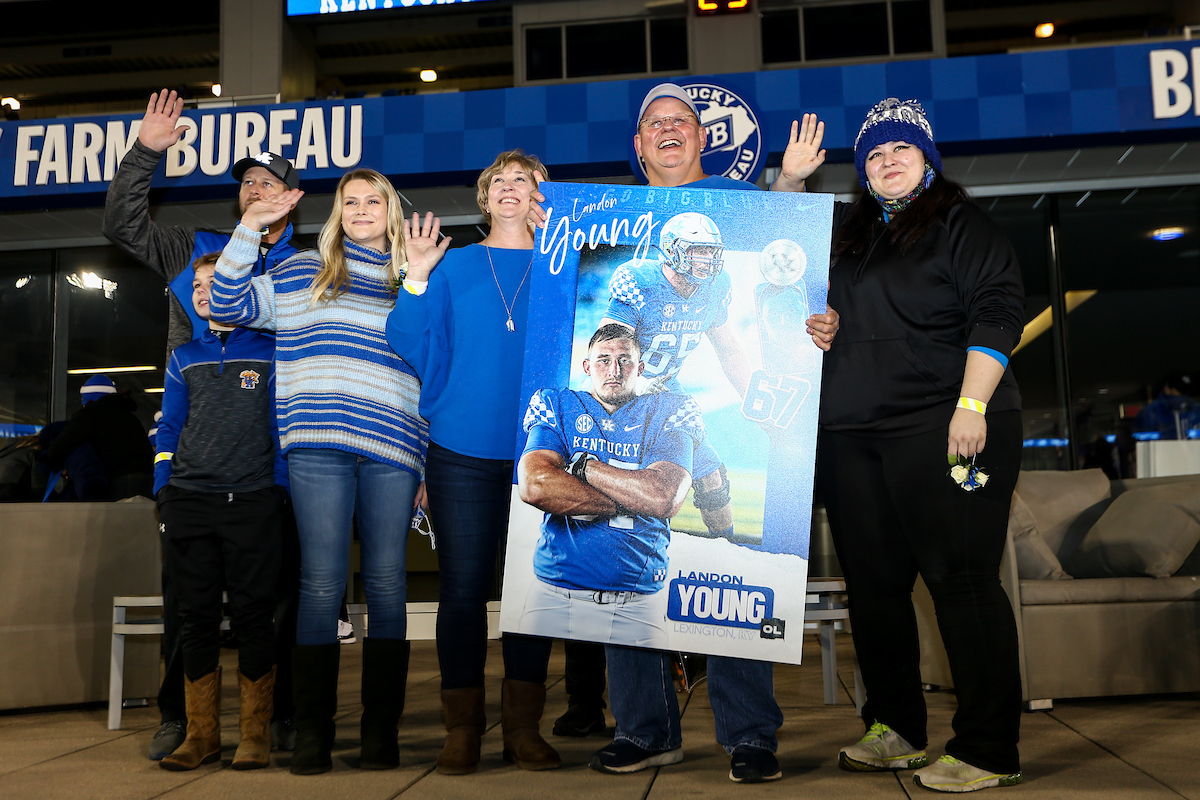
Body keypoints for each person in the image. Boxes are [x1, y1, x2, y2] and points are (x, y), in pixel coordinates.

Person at [527, 82, 838, 785]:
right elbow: (613, 347)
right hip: (634, 406)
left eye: (682, 122)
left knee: (728, 553)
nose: (669, 130)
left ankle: (749, 732)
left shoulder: (728, 240)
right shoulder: (633, 268)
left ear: (702, 139)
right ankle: (645, 727)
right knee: (625, 554)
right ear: (639, 146)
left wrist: (763, 389)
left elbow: (732, 342)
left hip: (677, 404)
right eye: (655, 123)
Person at [811, 98, 1025, 793]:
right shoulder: (850, 232)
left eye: (901, 150)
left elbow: (997, 309)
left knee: (961, 584)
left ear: (927, 159)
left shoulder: (962, 224)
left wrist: (971, 404)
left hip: (945, 424)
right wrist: (817, 324)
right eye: (874, 154)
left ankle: (989, 748)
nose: (888, 162)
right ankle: (895, 727)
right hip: (854, 432)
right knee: (875, 591)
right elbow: (792, 274)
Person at [102, 88, 302, 761]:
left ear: (293, 197)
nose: (255, 189)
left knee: (276, 600)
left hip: (279, 464)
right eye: (247, 181)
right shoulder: (196, 247)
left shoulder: (309, 268)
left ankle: (272, 720)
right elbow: (124, 227)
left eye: (269, 181)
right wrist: (143, 156)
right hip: (196, 465)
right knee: (186, 602)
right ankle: (178, 717)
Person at [211, 168, 432, 775]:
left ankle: (379, 734)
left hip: (394, 444)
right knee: (320, 584)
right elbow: (227, 303)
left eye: (373, 200)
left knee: (387, 583)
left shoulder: (415, 275)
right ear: (337, 212)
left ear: (392, 208)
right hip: (316, 445)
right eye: (350, 201)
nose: (361, 209)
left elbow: (433, 369)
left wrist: (428, 464)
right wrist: (251, 228)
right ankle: (312, 734)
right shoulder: (298, 271)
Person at [385, 150, 564, 774]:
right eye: (500, 183)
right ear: (485, 199)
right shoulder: (453, 265)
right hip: (459, 450)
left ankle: (522, 729)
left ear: (541, 197)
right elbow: (406, 341)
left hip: (542, 453)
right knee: (462, 592)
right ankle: (461, 729)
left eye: (525, 181)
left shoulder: (564, 264)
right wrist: (414, 275)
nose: (511, 189)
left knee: (530, 593)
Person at [154, 253, 284, 772]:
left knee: (255, 618)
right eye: (200, 285)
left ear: (244, 291)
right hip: (188, 502)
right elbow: (168, 430)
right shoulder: (183, 355)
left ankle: (254, 737)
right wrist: (164, 488)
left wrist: (277, 489)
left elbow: (284, 429)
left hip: (253, 501)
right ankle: (201, 735)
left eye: (218, 282)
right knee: (195, 620)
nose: (207, 291)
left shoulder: (273, 350)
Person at [516, 324, 703, 646]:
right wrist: (631, 497)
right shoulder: (557, 403)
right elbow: (535, 484)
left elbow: (663, 498)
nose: (613, 370)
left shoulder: (671, 409)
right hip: (554, 588)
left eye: (625, 360)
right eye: (603, 359)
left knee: (639, 692)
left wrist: (582, 467)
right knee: (526, 679)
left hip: (638, 597)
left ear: (640, 368)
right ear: (587, 367)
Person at [600, 210, 750, 543]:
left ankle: (728, 552)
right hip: (621, 395)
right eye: (698, 250)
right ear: (672, 249)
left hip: (666, 390)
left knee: (712, 477)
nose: (706, 259)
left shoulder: (715, 287)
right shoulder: (640, 280)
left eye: (711, 251)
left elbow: (729, 350)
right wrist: (633, 390)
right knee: (629, 487)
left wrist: (753, 398)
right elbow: (608, 351)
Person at [43, 374, 153, 500]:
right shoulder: (130, 417)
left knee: (116, 520)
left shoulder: (89, 415)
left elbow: (58, 448)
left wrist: (62, 468)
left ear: (87, 400)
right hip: (146, 481)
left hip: (117, 483)